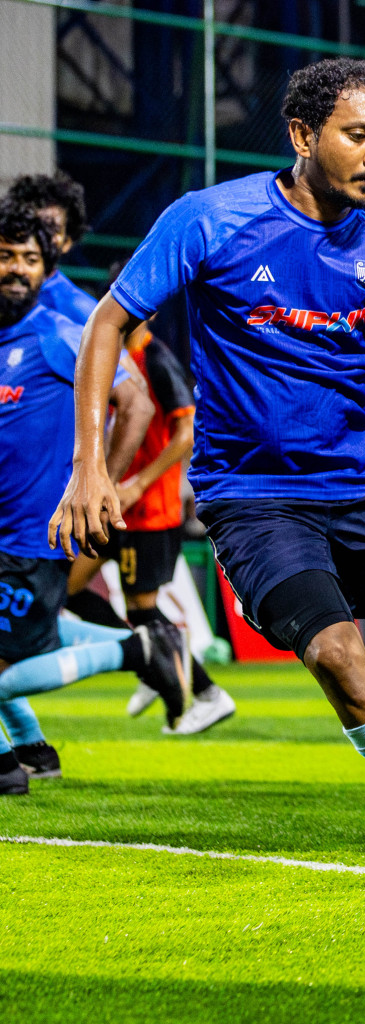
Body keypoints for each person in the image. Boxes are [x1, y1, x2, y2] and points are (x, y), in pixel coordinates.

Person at [50, 58, 365, 885]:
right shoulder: (209, 220)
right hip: (252, 496)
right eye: (359, 135)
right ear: (303, 136)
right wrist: (87, 466)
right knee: (338, 656)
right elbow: (108, 323)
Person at [0, 202, 185, 794]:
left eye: (30, 259)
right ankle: (30, 749)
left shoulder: (58, 332)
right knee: (37, 636)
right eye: (5, 256)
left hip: (33, 535)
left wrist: (102, 480)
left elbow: (136, 404)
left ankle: (133, 651)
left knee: (11, 660)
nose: (17, 269)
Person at [65, 320, 237, 735]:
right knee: (70, 588)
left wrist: (141, 482)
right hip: (118, 504)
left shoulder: (157, 360)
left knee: (143, 607)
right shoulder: (120, 359)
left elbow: (187, 433)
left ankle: (209, 693)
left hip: (151, 510)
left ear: (149, 315)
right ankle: (150, 668)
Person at [5, 172, 97, 324]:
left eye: (51, 229)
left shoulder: (80, 310)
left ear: (67, 242)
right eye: (32, 226)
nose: (41, 236)